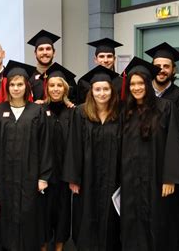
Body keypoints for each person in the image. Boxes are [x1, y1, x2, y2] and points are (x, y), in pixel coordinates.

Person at [0, 60, 52, 251]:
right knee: (7, 215)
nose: (16, 88)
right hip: (4, 177)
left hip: (30, 176)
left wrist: (43, 177)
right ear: (7, 86)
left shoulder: (37, 111)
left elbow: (45, 145)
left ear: (26, 86)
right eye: (12, 84)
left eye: (20, 84)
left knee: (29, 216)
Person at [120, 57, 179, 251]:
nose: (136, 87)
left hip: (156, 178)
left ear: (149, 83)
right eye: (132, 84)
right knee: (132, 223)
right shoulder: (126, 110)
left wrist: (170, 178)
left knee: (157, 223)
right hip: (131, 178)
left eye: (141, 83)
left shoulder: (165, 107)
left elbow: (174, 143)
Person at [63, 65, 121, 251]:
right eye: (97, 89)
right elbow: (73, 146)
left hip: (114, 176)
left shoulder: (120, 114)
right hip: (87, 176)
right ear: (91, 91)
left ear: (112, 91)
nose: (102, 93)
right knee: (86, 215)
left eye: (106, 89)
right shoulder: (80, 112)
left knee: (111, 217)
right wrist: (74, 178)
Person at [39, 63, 75, 251]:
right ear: (47, 88)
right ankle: (44, 247)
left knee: (63, 212)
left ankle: (60, 247)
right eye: (51, 85)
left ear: (65, 88)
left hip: (65, 173)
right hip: (45, 172)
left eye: (59, 85)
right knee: (43, 213)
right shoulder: (38, 110)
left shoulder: (73, 112)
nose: (55, 89)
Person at [145, 42, 179, 131]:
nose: (161, 70)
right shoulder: (142, 92)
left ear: (173, 70)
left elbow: (178, 128)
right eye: (157, 66)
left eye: (166, 66)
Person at [27, 30, 76, 103]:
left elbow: (75, 102)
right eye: (41, 49)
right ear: (35, 53)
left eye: (48, 49)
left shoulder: (65, 77)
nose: (45, 52)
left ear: (54, 52)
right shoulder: (29, 78)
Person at [76, 38, 123, 104]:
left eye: (109, 56)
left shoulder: (122, 83)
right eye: (101, 56)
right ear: (95, 59)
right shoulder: (84, 82)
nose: (106, 60)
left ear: (114, 59)